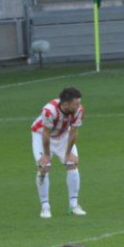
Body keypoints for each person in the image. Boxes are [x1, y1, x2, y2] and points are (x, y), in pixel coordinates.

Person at [32, 87, 86, 219]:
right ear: (66, 104)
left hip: (63, 135)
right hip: (41, 135)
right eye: (76, 103)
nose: (79, 106)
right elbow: (45, 133)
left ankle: (73, 205)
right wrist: (46, 155)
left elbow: (73, 132)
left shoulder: (79, 110)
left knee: (72, 163)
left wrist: (68, 153)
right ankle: (45, 207)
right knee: (44, 167)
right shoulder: (49, 111)